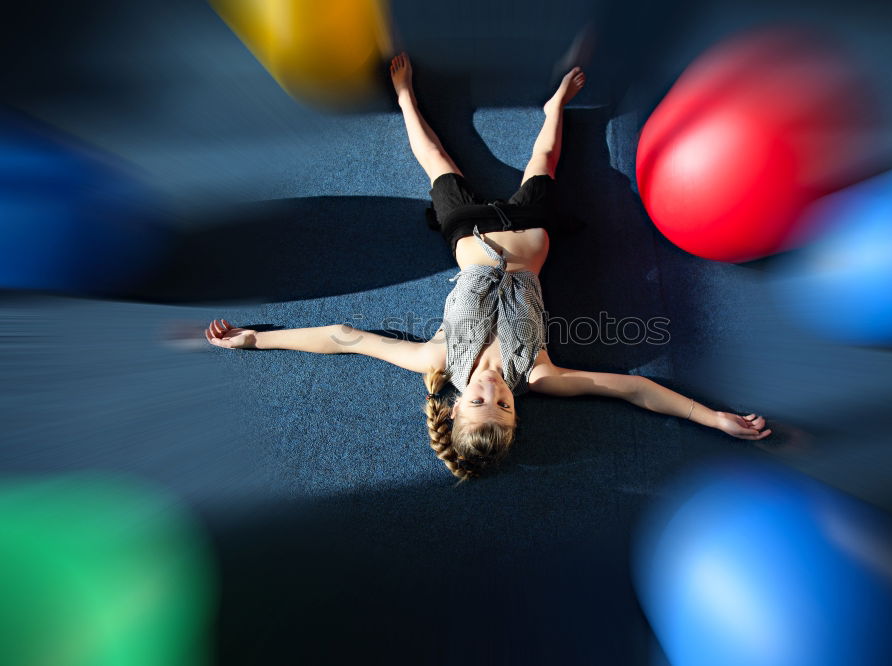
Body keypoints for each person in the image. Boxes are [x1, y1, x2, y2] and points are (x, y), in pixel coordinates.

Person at [205, 52, 771, 484]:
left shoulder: (435, 359)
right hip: (529, 232)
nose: (493, 391)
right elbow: (633, 390)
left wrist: (258, 339)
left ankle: (406, 98)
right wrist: (711, 418)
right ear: (516, 416)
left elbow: (345, 337)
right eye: (504, 408)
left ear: (452, 407)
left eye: (478, 403)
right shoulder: (541, 377)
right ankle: (555, 108)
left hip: (470, 231)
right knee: (544, 160)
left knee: (437, 162)